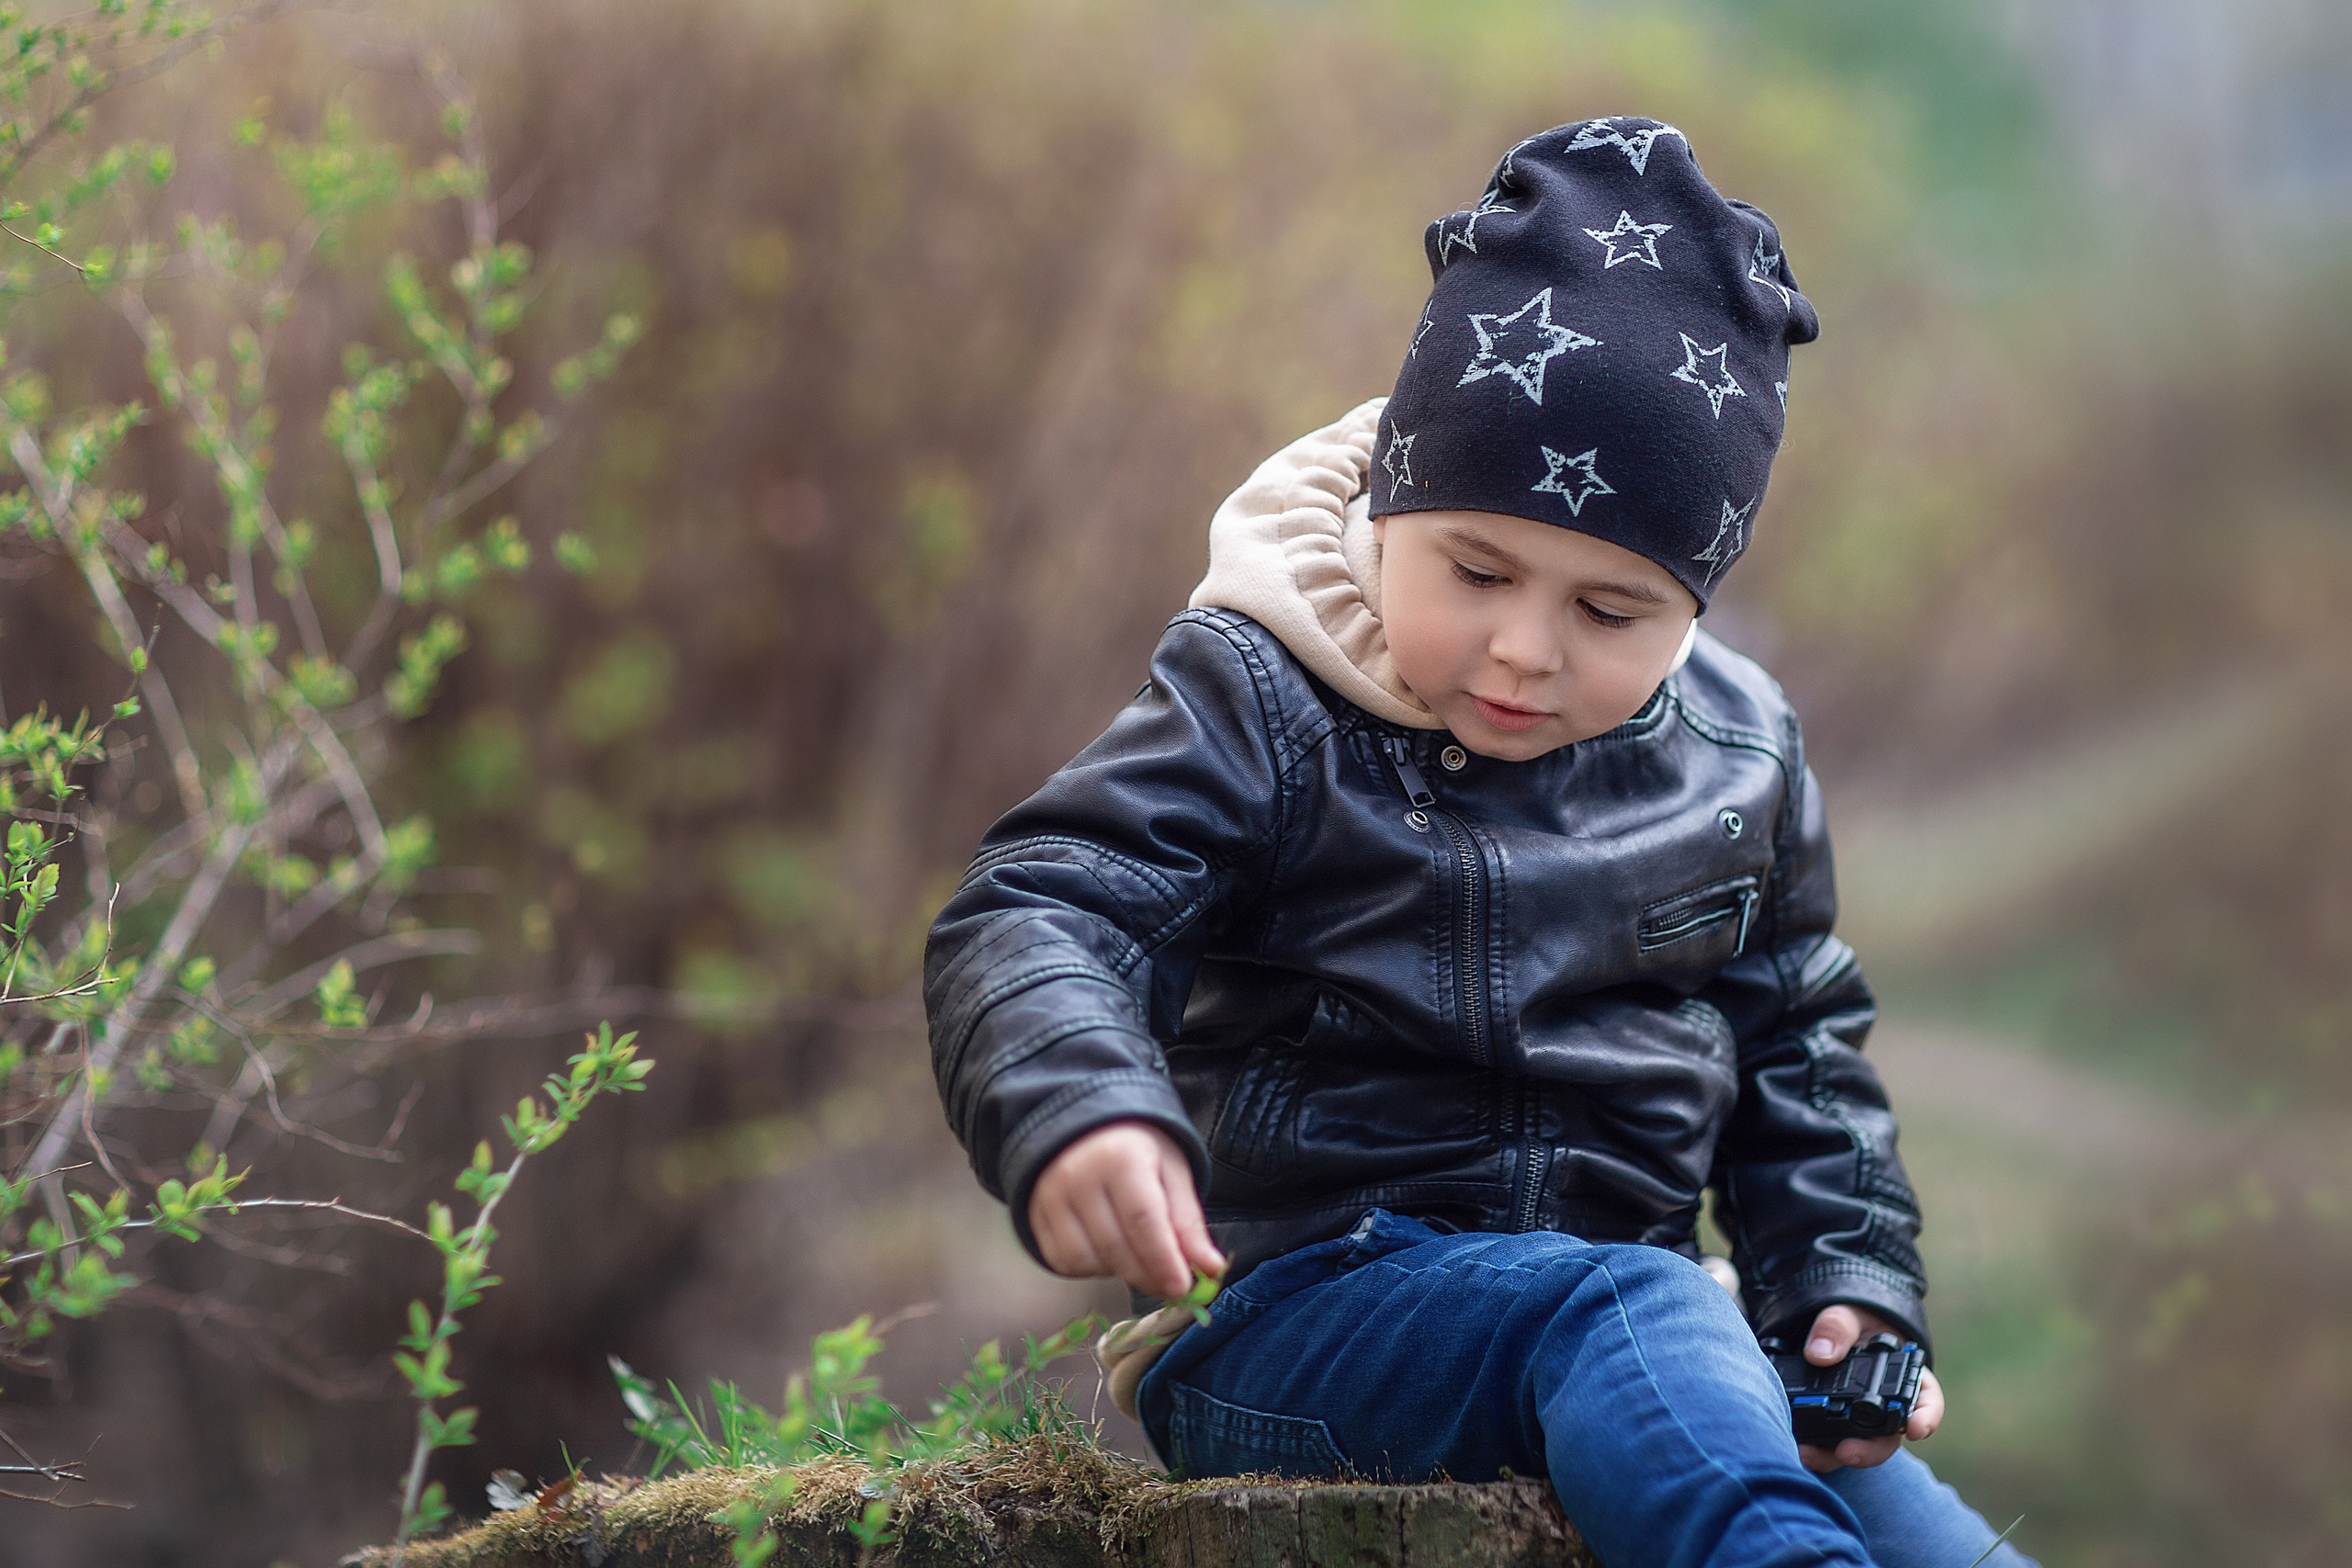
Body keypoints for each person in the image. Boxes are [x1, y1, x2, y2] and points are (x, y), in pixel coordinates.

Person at [925, 117, 2034, 1568]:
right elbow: (1046, 908)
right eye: (1478, 569)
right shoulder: (1266, 693)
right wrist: (1081, 1104)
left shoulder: (1738, 751)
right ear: (1393, 498)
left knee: (1888, 1504)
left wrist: (1844, 1281)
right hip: (1297, 1318)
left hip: (1640, 1331)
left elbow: (1798, 1044)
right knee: (1642, 1319)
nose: (1524, 650)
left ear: (1693, 607)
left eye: (1609, 612)